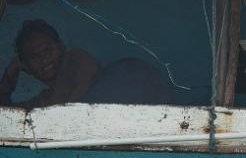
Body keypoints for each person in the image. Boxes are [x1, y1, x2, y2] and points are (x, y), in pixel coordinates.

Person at [0, 19, 173, 109]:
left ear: (61, 46)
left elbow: (79, 99)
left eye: (47, 49)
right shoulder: (44, 101)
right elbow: (6, 116)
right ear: (27, 68)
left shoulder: (77, 59)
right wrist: (10, 75)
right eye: (33, 56)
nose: (44, 58)